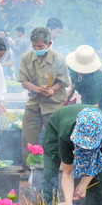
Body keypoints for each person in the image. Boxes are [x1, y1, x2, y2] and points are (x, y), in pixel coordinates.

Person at [49, 105, 102, 205]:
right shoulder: (66, 133)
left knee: (98, 179)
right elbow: (67, 172)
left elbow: (98, 161)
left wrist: (83, 184)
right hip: (56, 128)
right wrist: (68, 202)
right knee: (48, 175)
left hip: (98, 136)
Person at [17, 27, 69, 167]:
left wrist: (52, 90)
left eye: (40, 46)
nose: (37, 49)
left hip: (53, 106)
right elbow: (24, 81)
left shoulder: (59, 59)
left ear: (49, 44)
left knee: (54, 140)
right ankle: (29, 171)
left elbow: (63, 82)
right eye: (34, 46)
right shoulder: (26, 58)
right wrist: (37, 89)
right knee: (28, 139)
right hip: (34, 105)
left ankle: (54, 170)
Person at [65, 44, 102, 114]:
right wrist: (71, 91)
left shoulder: (96, 80)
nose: (79, 71)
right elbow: (73, 81)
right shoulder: (72, 68)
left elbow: (94, 106)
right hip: (85, 97)